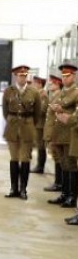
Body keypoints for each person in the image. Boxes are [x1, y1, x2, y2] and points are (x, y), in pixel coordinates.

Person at [2, 65, 41, 200]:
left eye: (24, 75)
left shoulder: (34, 92)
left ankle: (23, 189)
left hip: (27, 127)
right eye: (20, 75)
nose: (22, 77)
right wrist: (12, 121)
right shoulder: (8, 91)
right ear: (15, 76)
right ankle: (14, 188)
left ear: (27, 76)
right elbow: (5, 111)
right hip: (12, 128)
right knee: (14, 158)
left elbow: (37, 113)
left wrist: (30, 124)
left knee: (25, 159)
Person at [52, 60, 78, 210]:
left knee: (71, 165)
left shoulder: (75, 92)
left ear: (73, 76)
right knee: (63, 164)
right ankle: (65, 193)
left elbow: (73, 112)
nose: (64, 79)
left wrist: (62, 110)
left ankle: (71, 197)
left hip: (70, 133)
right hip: (60, 133)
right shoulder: (62, 92)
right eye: (63, 76)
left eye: (67, 76)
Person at [43, 74, 63, 193]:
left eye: (52, 83)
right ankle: (58, 182)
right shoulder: (54, 95)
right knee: (56, 157)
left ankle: (59, 183)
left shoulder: (59, 95)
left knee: (58, 157)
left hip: (56, 131)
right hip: (51, 130)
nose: (49, 85)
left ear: (57, 84)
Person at [31, 75, 49, 173]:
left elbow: (43, 110)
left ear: (39, 84)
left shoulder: (43, 95)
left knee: (41, 145)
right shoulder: (37, 94)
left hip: (40, 124)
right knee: (39, 145)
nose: (33, 85)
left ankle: (40, 166)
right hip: (36, 123)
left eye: (35, 83)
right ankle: (39, 165)